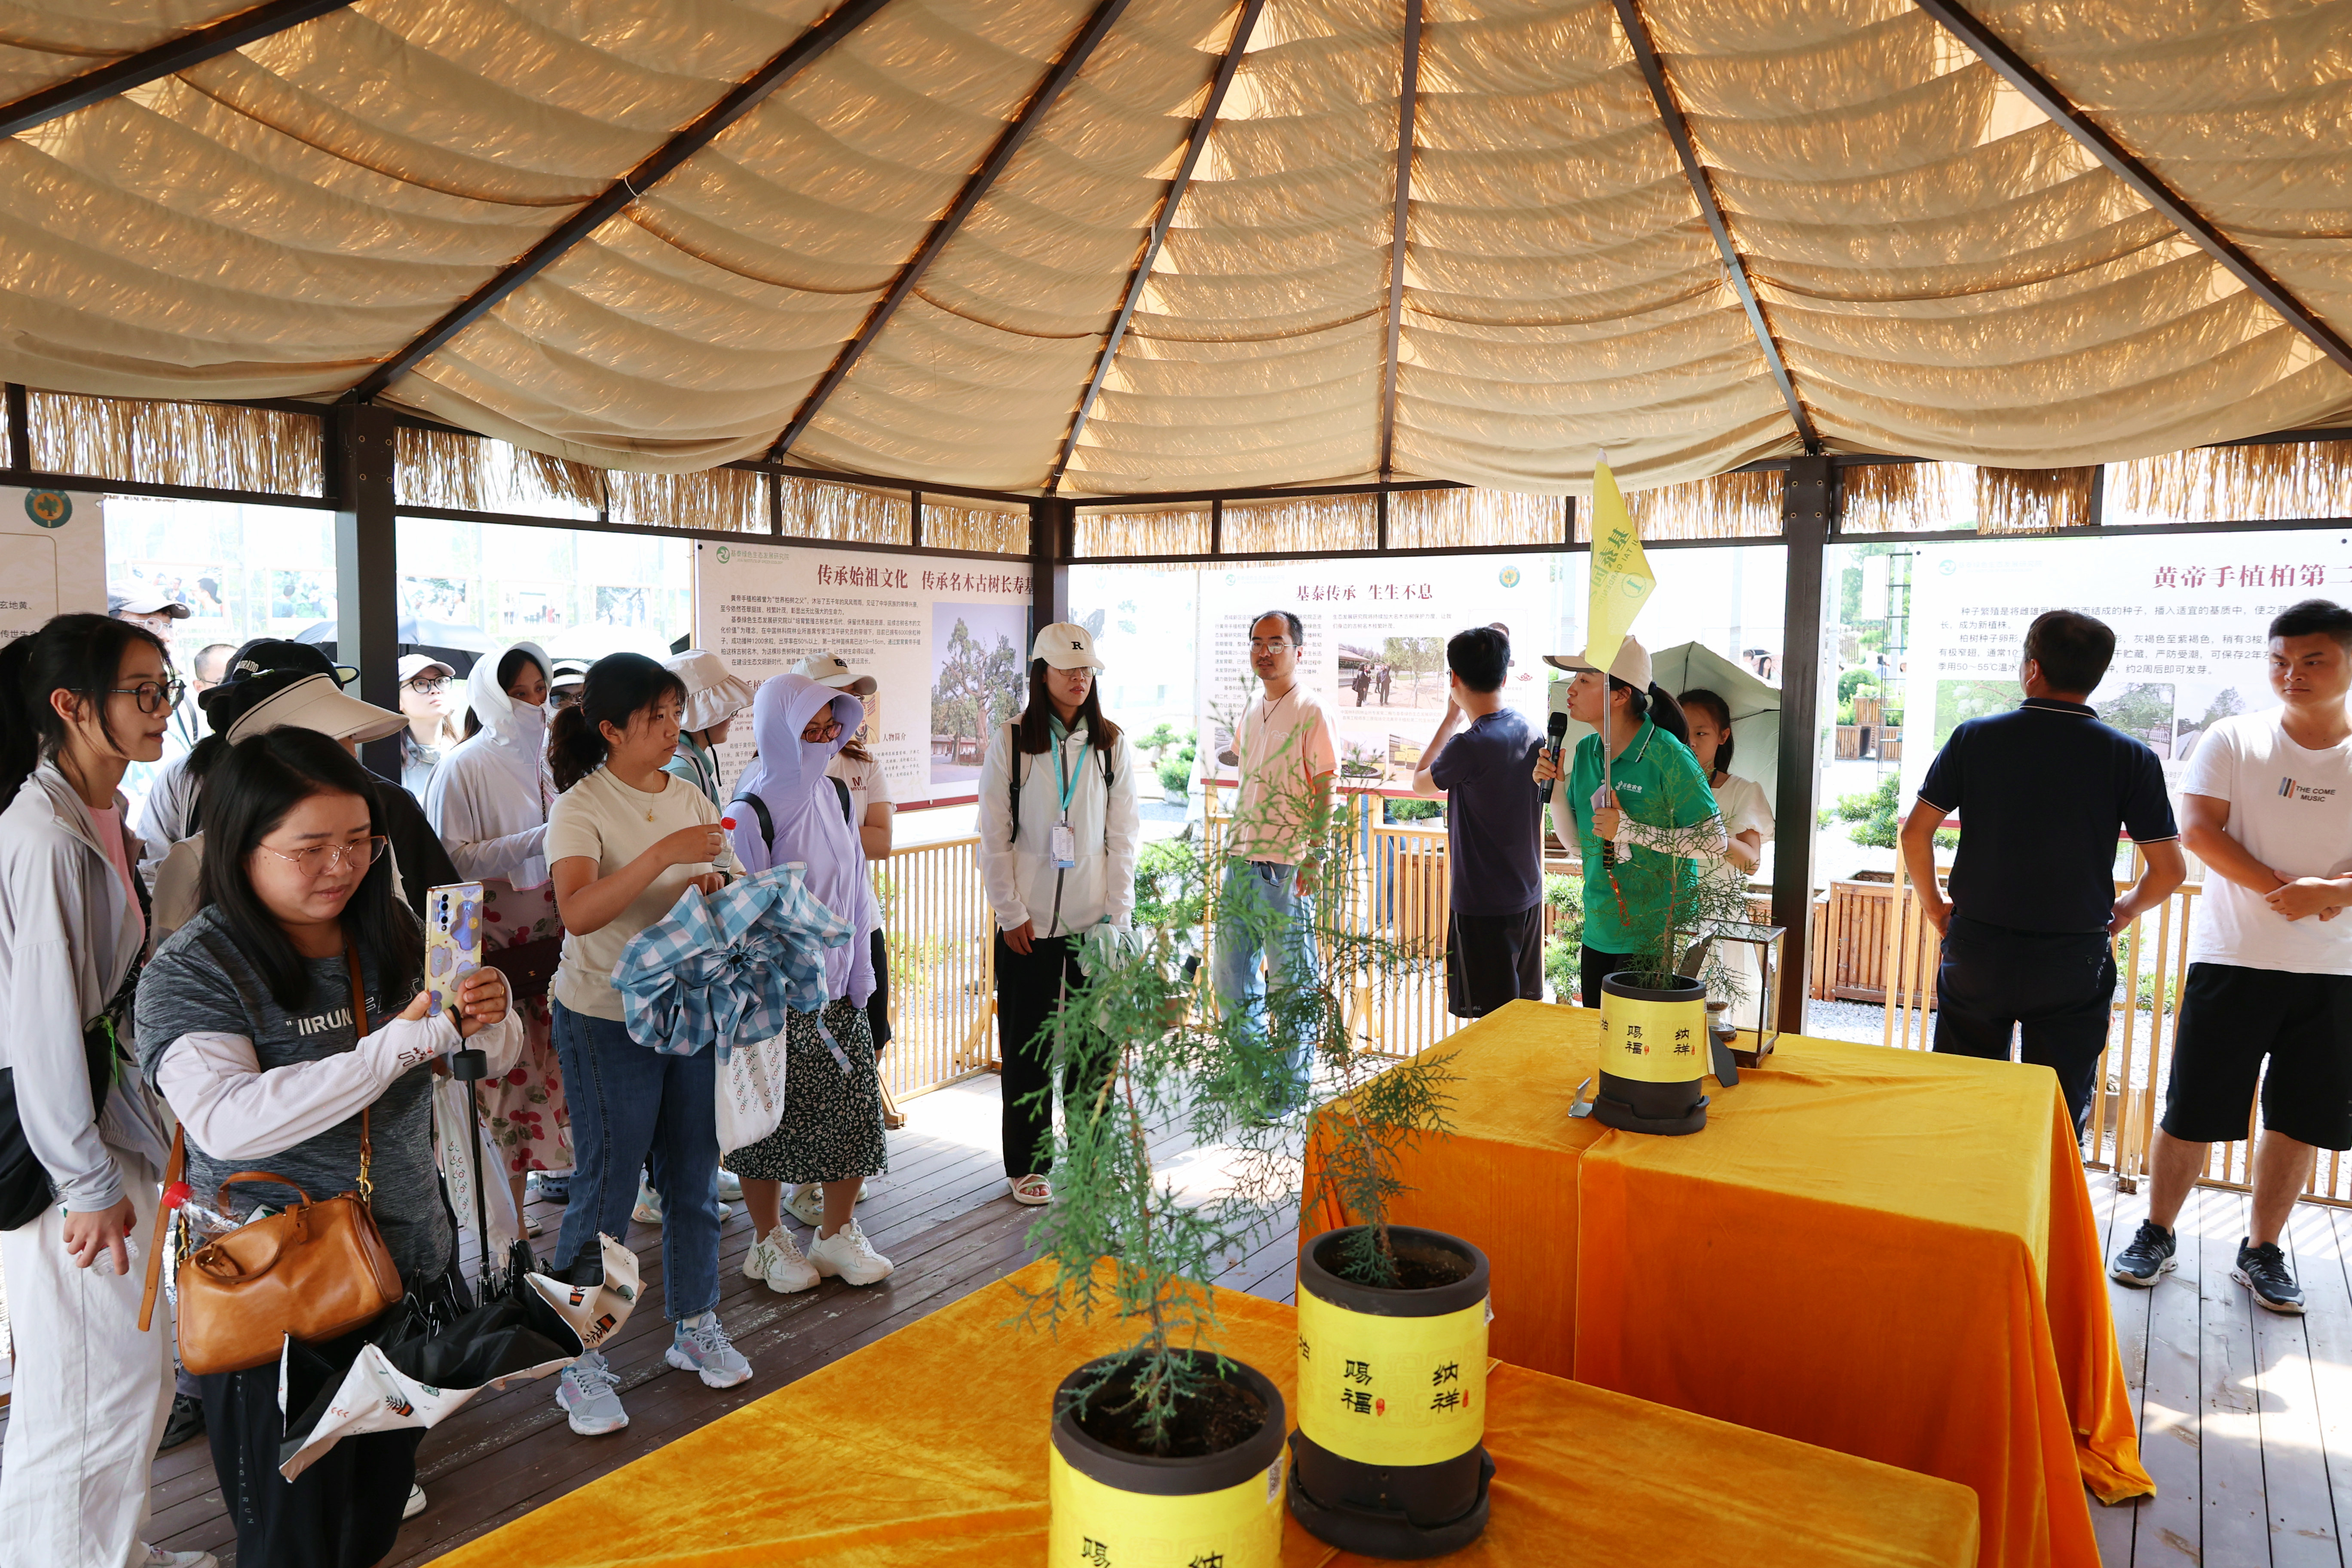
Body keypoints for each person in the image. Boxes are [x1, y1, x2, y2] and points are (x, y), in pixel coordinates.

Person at [135, 729, 517, 1568]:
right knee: (291, 1544)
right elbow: (227, 1120)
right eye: (310, 848)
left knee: (370, 1522)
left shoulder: (392, 929)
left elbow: (478, 1057)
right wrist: (403, 1044)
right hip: (275, 1303)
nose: (341, 866)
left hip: (403, 1274)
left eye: (360, 841)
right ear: (242, 845)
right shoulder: (195, 970)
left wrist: (492, 1015)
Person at [0, 614, 203, 1568]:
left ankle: (112, 1550)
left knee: (124, 1371)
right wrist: (83, 1184)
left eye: (167, 688)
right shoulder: (44, 835)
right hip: (62, 1152)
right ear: (72, 706)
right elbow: (40, 1028)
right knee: (89, 1382)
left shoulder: (100, 816)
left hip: (99, 1127)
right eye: (143, 691)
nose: (162, 708)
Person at [2110, 600, 2352, 1313]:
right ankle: (2156, 1231)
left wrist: (2331, 893)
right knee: (2192, 1106)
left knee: (2298, 1118)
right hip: (2233, 957)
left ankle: (2262, 1249)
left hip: (2336, 969)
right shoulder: (2234, 737)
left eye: (2312, 660)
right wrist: (2291, 893)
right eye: (2279, 660)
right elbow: (2198, 832)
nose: (2292, 673)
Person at [544, 653, 750, 1435]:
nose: (671, 728)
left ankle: (695, 1324)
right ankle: (579, 1359)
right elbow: (578, 911)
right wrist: (664, 857)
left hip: (688, 1002)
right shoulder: (581, 806)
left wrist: (715, 884)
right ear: (610, 729)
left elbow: (728, 874)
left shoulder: (690, 791)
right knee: (606, 1188)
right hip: (606, 1014)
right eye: (655, 717)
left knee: (694, 1175)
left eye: (675, 713)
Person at [1899, 611, 2183, 1140]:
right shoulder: (2131, 757)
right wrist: (2122, 914)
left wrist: (1937, 907)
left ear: (2033, 669)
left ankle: (1961, 1189)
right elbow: (2170, 871)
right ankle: (2045, 1193)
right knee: (2055, 1110)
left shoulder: (1974, 738)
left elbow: (1916, 834)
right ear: (2096, 675)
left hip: (1979, 948)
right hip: (2073, 957)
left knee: (1962, 1100)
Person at [726, 674, 896, 1292]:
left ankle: (835, 1234)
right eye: (810, 730)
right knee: (766, 1121)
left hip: (840, 991)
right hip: (773, 998)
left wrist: (861, 973)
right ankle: (767, 1242)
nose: (825, 741)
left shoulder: (839, 795)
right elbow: (741, 914)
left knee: (852, 1114)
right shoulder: (749, 810)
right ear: (778, 730)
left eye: (831, 728)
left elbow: (857, 890)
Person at [977, 624, 1139, 1204]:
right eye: (1068, 669)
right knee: (1027, 1050)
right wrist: (1009, 913)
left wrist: (1118, 919)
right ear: (1041, 674)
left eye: (1087, 670)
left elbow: (1124, 838)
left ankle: (1092, 1157)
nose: (1079, 679)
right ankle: (1027, 1164)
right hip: (1028, 927)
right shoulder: (1011, 740)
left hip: (1096, 927)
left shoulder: (1111, 743)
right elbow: (993, 834)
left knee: (1097, 1049)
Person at [425, 643, 572, 1233]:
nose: (534, 704)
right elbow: (450, 859)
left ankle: (518, 1219)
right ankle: (499, 1228)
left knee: (543, 1080)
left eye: (541, 691)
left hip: (548, 940)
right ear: (491, 695)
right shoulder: (464, 765)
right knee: (502, 1088)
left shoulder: (551, 760)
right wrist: (541, 838)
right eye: (519, 693)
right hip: (493, 946)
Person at [1532, 636, 1725, 1004]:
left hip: (1656, 932)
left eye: (1585, 680)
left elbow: (1714, 841)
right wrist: (1555, 791)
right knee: (1601, 1030)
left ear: (1620, 695)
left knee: (1639, 1035)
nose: (1571, 689)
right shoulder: (1588, 751)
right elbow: (1579, 846)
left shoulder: (1669, 755)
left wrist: (1631, 831)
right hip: (1600, 925)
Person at [1213, 611, 1338, 1104]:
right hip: (1241, 859)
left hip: (1287, 866)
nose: (1264, 652)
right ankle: (1253, 1074)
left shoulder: (1312, 709)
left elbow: (1326, 786)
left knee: (1291, 983)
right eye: (1257, 643)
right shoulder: (1251, 706)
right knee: (1230, 978)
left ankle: (1290, 1088)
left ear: (1297, 651)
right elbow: (1245, 766)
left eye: (1276, 643)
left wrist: (1317, 853)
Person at [1410, 627, 1544, 1018]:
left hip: (1483, 905)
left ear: (1454, 678)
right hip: (1527, 895)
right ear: (1504, 676)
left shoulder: (1469, 744)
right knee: (1520, 1016)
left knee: (1490, 1024)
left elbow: (1420, 783)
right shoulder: (1529, 730)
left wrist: (1450, 719)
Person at [1677, 687, 1776, 1012]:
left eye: (1701, 733)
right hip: (1667, 915)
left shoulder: (1742, 791)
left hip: (1720, 920)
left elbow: (1751, 863)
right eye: (1682, 733)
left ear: (1723, 736)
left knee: (1722, 1019)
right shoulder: (1662, 789)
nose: (1690, 742)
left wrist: (1714, 836)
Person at [395, 654, 461, 799]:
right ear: (398, 700)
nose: (435, 690)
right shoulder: (389, 762)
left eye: (440, 681)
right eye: (420, 683)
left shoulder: (465, 754)